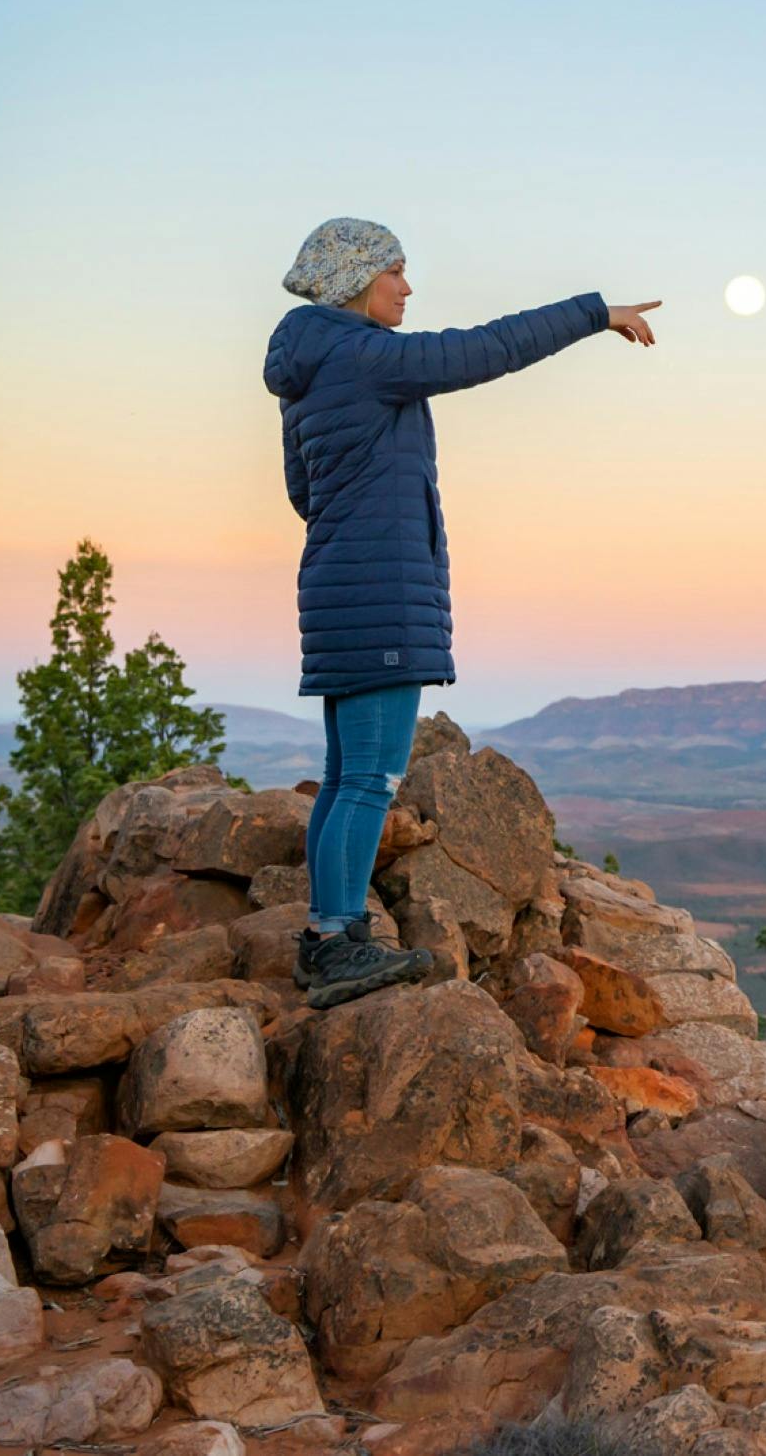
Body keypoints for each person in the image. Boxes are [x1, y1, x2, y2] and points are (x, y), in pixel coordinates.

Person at [263, 216, 661, 1007]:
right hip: (379, 595)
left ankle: (326, 936)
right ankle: (336, 942)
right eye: (396, 272)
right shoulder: (365, 356)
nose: (408, 288)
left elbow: (303, 496)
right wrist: (595, 313)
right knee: (371, 778)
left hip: (338, 590)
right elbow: (483, 349)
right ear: (354, 279)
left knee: (348, 775)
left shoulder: (308, 373)